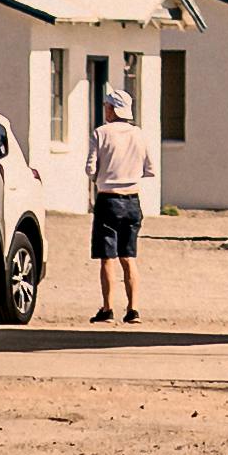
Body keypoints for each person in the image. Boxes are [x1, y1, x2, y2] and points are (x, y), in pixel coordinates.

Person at [83, 84, 157, 323]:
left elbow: (90, 168)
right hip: (133, 200)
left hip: (108, 199)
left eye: (107, 106)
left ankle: (107, 308)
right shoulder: (140, 134)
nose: (105, 109)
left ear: (113, 109)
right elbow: (150, 169)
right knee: (129, 256)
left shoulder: (101, 133)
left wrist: (103, 176)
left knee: (107, 257)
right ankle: (133, 308)